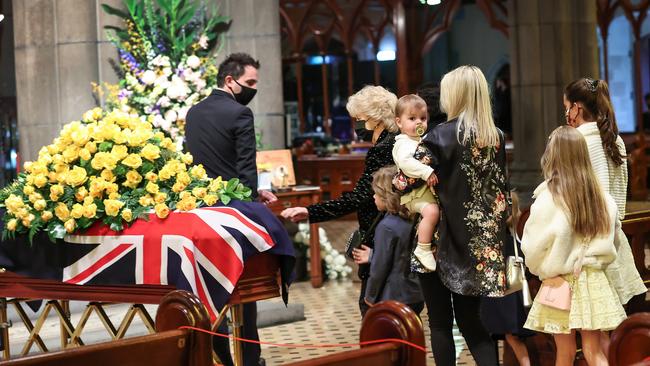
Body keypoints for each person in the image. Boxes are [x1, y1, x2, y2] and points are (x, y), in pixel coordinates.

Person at [185, 52, 275, 366]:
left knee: (210, 286)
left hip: (198, 212)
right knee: (243, 288)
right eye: (249, 83)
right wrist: (253, 200)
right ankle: (250, 357)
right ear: (229, 80)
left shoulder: (193, 112)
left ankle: (219, 354)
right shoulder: (239, 114)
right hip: (233, 212)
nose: (253, 89)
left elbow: (197, 165)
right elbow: (245, 170)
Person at [281, 85, 398, 315]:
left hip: (383, 234)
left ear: (375, 119)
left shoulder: (384, 148)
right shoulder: (395, 143)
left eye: (359, 118)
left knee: (374, 309)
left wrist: (310, 212)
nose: (356, 125)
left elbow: (358, 198)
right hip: (392, 233)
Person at [419, 65, 506, 366]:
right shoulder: (495, 137)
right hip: (481, 246)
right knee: (473, 324)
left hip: (441, 242)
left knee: (440, 323)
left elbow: (403, 182)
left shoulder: (439, 136)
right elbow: (499, 192)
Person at [521, 126, 626, 366]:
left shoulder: (549, 196)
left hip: (560, 281)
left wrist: (542, 270)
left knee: (564, 352)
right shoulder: (600, 195)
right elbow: (615, 238)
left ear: (553, 154)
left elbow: (533, 246)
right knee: (594, 350)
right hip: (594, 280)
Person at [564, 77, 647, 356]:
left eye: (566, 107)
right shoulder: (615, 139)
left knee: (593, 335)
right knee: (608, 332)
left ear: (576, 108)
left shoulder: (576, 141)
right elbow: (618, 200)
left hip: (587, 247)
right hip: (613, 241)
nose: (565, 114)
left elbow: (582, 200)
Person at [364, 165, 424, 314]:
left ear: (387, 195)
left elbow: (380, 267)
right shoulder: (415, 218)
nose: (373, 197)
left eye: (376, 193)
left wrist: (370, 297)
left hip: (393, 295)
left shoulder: (386, 226)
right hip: (415, 293)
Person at [391, 94, 439, 271]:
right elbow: (406, 163)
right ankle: (423, 248)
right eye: (412, 118)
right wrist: (427, 172)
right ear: (399, 122)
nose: (419, 123)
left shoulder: (418, 141)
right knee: (432, 212)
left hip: (422, 191)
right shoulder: (403, 144)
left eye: (423, 118)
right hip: (413, 194)